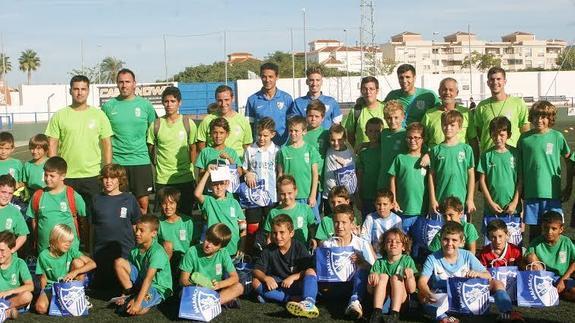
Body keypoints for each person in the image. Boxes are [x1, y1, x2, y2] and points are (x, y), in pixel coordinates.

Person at [418, 221, 522, 323]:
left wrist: (478, 274)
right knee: (422, 294)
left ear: (461, 242)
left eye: (454, 240)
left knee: (496, 283)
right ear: (440, 239)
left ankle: (508, 312)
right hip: (443, 296)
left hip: (467, 296)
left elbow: (488, 276)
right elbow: (422, 282)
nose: (449, 243)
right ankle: (444, 319)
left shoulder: (467, 255)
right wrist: (427, 292)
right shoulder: (432, 258)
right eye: (446, 239)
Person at [45, 75, 113, 216]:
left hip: (93, 175)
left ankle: (91, 239)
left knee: (93, 216)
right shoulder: (60, 115)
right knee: (67, 215)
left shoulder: (99, 115)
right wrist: (55, 171)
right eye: (76, 89)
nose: (79, 92)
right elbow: (52, 143)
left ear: (88, 91)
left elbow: (107, 144)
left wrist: (107, 169)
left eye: (83, 89)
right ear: (70, 91)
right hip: (67, 175)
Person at [102, 69, 157, 215]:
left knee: (143, 205)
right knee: (119, 204)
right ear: (117, 84)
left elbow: (155, 132)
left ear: (134, 84)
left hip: (141, 161)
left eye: (127, 82)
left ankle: (142, 236)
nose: (124, 85)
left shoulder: (145, 106)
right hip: (118, 163)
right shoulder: (108, 107)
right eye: (121, 82)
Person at [517, 101, 572, 242]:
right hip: (531, 193)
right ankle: (534, 263)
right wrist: (520, 190)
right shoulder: (524, 138)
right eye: (536, 116)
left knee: (553, 232)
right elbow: (520, 167)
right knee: (534, 233)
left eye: (543, 117)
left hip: (552, 194)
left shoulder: (557, 137)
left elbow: (569, 161)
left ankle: (554, 262)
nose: (539, 120)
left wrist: (569, 186)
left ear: (550, 118)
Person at [253, 214, 319, 318]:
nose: (278, 237)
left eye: (282, 232)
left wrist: (293, 277)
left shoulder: (298, 247)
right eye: (275, 233)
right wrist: (266, 278)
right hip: (279, 285)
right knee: (255, 282)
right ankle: (291, 299)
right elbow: (256, 270)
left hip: (297, 284)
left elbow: (310, 269)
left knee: (311, 272)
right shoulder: (268, 249)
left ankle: (308, 303)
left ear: (291, 233)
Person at [147, 86, 197, 215]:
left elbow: (193, 148)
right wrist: (159, 165)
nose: (169, 105)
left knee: (185, 215)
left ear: (179, 102)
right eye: (166, 101)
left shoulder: (188, 123)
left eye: (173, 101)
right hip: (163, 179)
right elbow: (151, 148)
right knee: (165, 216)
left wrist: (188, 166)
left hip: (185, 177)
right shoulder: (156, 124)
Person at [321, 204, 376, 319]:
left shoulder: (362, 244)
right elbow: (322, 272)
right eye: (336, 222)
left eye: (344, 222)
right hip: (334, 287)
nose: (339, 226)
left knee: (362, 271)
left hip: (355, 286)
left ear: (351, 224)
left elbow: (374, 270)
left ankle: (355, 302)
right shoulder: (327, 244)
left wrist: (363, 262)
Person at [91, 164, 141, 290]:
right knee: (103, 290)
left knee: (125, 287)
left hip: (124, 252)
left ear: (120, 180)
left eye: (112, 178)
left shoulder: (129, 198)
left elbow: (136, 226)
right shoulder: (96, 199)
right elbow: (92, 227)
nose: (108, 181)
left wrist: (139, 249)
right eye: (105, 178)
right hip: (101, 253)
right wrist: (91, 249)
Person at [113, 215, 172, 316]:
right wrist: (124, 293)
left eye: (141, 231)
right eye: (136, 229)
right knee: (119, 262)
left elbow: (148, 279)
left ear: (153, 233)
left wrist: (137, 303)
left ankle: (148, 300)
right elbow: (131, 271)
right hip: (142, 282)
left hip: (157, 287)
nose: (137, 233)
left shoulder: (157, 252)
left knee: (136, 310)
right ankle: (130, 294)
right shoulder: (135, 250)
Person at [26, 157, 87, 252]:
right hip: (45, 251)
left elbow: (84, 220)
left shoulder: (72, 195)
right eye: (46, 175)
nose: (47, 179)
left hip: (69, 251)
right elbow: (34, 220)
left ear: (63, 176)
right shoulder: (38, 195)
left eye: (52, 176)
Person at [34, 224, 97, 314]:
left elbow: (93, 264)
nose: (68, 244)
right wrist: (42, 293)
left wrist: (75, 272)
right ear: (55, 239)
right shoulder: (43, 255)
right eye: (65, 241)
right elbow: (43, 278)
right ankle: (56, 302)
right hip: (52, 287)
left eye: (70, 242)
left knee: (78, 262)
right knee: (40, 308)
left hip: (70, 287)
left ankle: (80, 296)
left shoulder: (71, 250)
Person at [477, 117, 521, 238]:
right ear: (490, 134)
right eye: (494, 134)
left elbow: (520, 180)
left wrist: (514, 202)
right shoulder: (486, 155)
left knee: (513, 247)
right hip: (492, 210)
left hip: (512, 209)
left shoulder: (516, 154)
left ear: (509, 134)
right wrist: (490, 203)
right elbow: (482, 181)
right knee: (492, 245)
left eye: (501, 134)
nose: (498, 138)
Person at [179, 223, 244, 305]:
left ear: (221, 247)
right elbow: (183, 280)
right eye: (208, 240)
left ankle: (210, 303)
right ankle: (217, 302)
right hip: (195, 289)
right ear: (205, 236)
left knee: (239, 287)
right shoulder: (192, 251)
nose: (209, 245)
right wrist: (196, 286)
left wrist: (219, 285)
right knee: (182, 294)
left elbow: (235, 278)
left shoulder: (223, 253)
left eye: (215, 244)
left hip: (215, 289)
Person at [242, 117, 279, 253]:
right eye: (259, 135)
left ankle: (271, 253)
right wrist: (247, 173)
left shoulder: (277, 151)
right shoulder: (251, 149)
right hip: (254, 197)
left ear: (272, 135)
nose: (262, 138)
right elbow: (244, 167)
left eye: (265, 135)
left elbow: (279, 172)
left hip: (271, 196)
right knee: (253, 225)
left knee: (271, 226)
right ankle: (251, 254)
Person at [428, 110, 476, 216]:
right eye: (445, 124)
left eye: (452, 125)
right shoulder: (436, 150)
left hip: (461, 200)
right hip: (441, 201)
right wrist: (433, 199)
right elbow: (431, 176)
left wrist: (470, 199)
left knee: (459, 231)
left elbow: (471, 175)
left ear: (459, 127)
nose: (448, 128)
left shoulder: (466, 149)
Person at [474, 67, 530, 153]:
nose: (495, 82)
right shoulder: (481, 106)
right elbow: (480, 132)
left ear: (505, 81)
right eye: (492, 79)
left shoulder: (518, 103)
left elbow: (525, 132)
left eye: (498, 79)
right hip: (488, 157)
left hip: (512, 156)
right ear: (488, 83)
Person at [194, 164, 246, 257]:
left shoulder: (234, 203)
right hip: (215, 249)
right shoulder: (209, 201)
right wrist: (207, 172)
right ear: (210, 185)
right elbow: (197, 194)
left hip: (233, 248)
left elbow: (243, 227)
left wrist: (242, 246)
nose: (218, 187)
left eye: (221, 183)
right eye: (215, 184)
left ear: (227, 184)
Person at [368, 228, 417, 323]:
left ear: (403, 247)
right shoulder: (379, 262)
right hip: (383, 301)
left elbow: (411, 290)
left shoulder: (407, 261)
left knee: (396, 278)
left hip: (401, 301)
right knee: (383, 276)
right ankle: (376, 313)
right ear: (384, 246)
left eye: (398, 242)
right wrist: (372, 280)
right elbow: (370, 291)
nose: (393, 243)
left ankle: (395, 314)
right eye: (389, 241)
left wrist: (410, 278)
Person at [276, 116, 320, 221]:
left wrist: (313, 195)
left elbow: (315, 174)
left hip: (306, 195)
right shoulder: (283, 150)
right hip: (289, 197)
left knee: (315, 223)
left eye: (296, 131)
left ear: (304, 132)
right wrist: (279, 194)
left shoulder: (310, 149)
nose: (293, 133)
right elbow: (280, 174)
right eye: (291, 130)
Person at [525, 211, 575, 301]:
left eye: (554, 229)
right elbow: (526, 259)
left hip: (563, 278)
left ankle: (556, 292)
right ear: (542, 227)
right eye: (546, 228)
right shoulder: (536, 243)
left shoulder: (566, 242)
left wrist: (563, 280)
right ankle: (552, 292)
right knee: (531, 256)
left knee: (573, 291)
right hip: (543, 279)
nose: (549, 232)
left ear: (561, 229)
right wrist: (535, 267)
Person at [389, 122, 428, 233]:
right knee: (403, 240)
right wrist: (394, 200)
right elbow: (392, 179)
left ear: (422, 139)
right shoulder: (400, 158)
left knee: (419, 243)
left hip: (422, 210)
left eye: (416, 138)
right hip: (403, 210)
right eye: (409, 137)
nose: (412, 140)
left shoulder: (426, 159)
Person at [420, 78, 478, 153]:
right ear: (439, 92)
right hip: (436, 160)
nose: (447, 92)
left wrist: (474, 162)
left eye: (451, 90)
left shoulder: (466, 113)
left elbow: (473, 140)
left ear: (457, 93)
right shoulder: (429, 114)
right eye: (444, 89)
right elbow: (422, 140)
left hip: (460, 160)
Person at [197, 85, 252, 160]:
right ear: (216, 100)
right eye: (220, 100)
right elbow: (201, 144)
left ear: (232, 99)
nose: (223, 104)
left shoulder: (242, 120)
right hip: (214, 166)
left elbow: (247, 146)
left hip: (236, 167)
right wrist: (206, 161)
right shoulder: (207, 120)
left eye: (226, 100)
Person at [245, 62, 293, 146]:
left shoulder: (287, 98)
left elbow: (292, 124)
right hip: (262, 147)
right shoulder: (252, 99)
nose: (267, 80)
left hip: (283, 146)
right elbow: (249, 127)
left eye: (270, 77)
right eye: (264, 77)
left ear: (277, 77)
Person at [157, 187, 196, 286]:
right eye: (164, 203)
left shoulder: (187, 221)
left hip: (185, 260)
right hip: (167, 260)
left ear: (177, 204)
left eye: (171, 203)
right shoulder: (158, 223)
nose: (168, 207)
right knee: (168, 245)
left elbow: (194, 244)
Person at [263, 175, 316, 246]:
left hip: (301, 251)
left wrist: (313, 240)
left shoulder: (305, 209)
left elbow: (312, 228)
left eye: (289, 193)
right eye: (283, 194)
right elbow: (270, 237)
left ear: (296, 191)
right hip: (280, 252)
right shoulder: (273, 212)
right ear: (278, 193)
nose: (286, 197)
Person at [343, 76, 386, 149]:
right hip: (362, 156)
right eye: (364, 89)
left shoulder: (385, 109)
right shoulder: (356, 111)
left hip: (383, 155)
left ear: (377, 91)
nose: (368, 92)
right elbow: (350, 137)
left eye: (371, 89)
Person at [303, 100, 329, 211]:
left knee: (328, 212)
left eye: (317, 116)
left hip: (325, 178)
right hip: (309, 180)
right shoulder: (301, 134)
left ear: (322, 118)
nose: (313, 119)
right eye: (310, 116)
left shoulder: (326, 133)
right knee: (312, 212)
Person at [0, 231, 33, 319]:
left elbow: (30, 286)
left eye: (2, 250)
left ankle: (3, 309)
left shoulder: (19, 263)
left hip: (12, 299)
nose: (0, 254)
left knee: (27, 296)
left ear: (12, 249)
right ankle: (7, 312)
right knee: (14, 312)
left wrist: (9, 292)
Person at [377, 100, 407, 191]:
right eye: (389, 118)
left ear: (403, 117)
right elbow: (375, 143)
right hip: (384, 179)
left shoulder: (407, 134)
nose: (393, 121)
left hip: (400, 179)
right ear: (385, 118)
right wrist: (363, 144)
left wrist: (427, 156)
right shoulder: (384, 133)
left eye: (396, 117)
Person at [356, 117, 384, 216]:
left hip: (383, 195)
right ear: (366, 132)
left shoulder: (385, 150)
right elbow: (359, 174)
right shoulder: (363, 153)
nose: (374, 134)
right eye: (371, 131)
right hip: (367, 195)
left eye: (377, 131)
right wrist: (358, 195)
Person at [322, 124, 354, 206]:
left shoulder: (350, 153)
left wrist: (345, 164)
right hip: (329, 196)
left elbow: (352, 175)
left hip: (343, 197)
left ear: (344, 139)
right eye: (333, 140)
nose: (336, 143)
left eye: (339, 140)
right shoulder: (328, 150)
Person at [0, 175, 29, 253]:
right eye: (3, 192)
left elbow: (23, 235)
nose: (6, 196)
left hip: (7, 260)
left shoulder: (14, 212)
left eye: (10, 193)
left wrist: (11, 250)